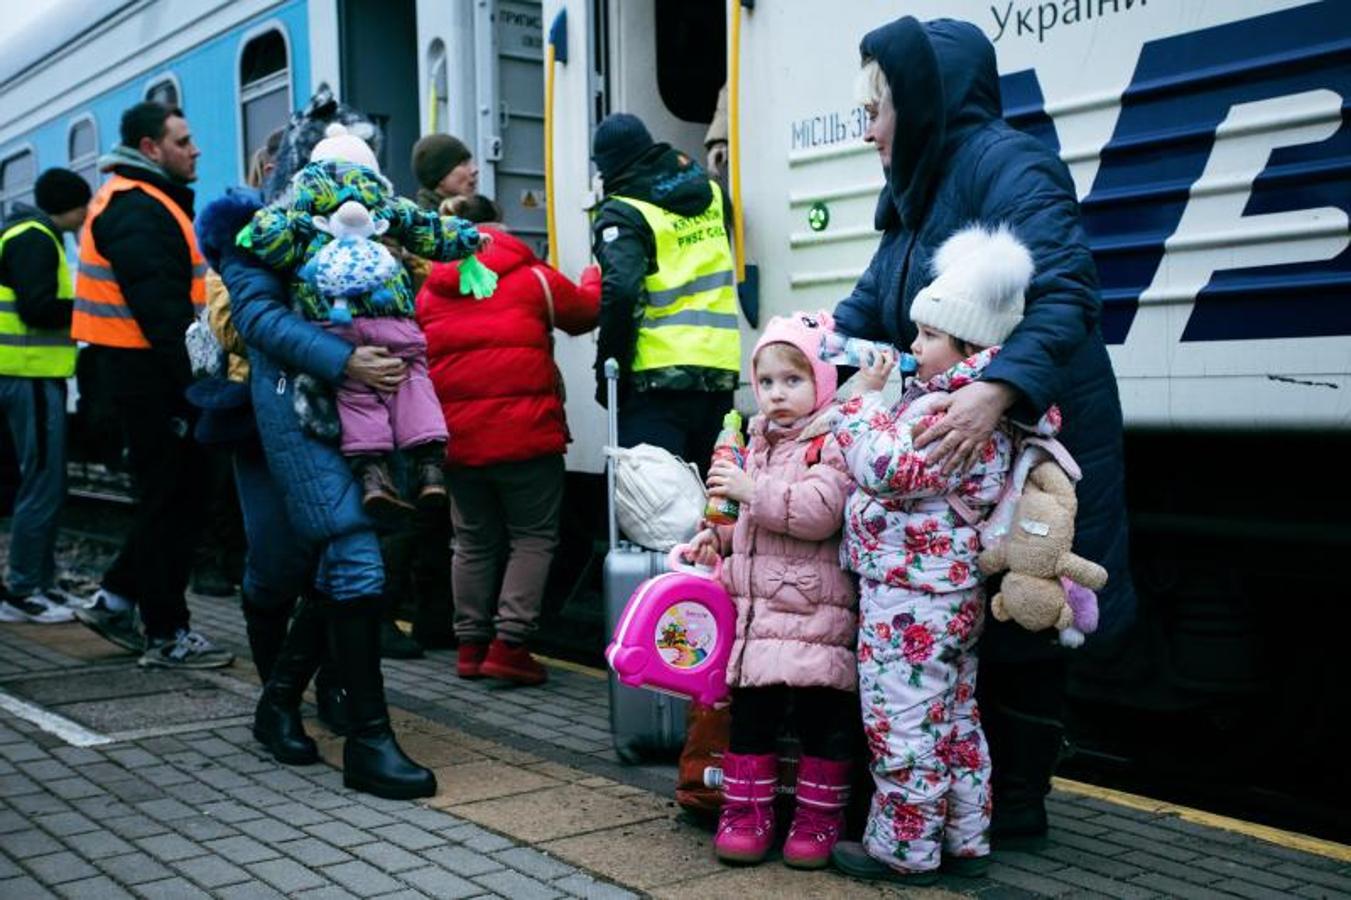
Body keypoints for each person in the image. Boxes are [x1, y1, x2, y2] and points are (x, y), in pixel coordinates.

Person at [831, 16, 1135, 851]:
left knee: (1020, 614)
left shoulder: (1007, 164)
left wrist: (996, 389)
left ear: (920, 104)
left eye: (874, 110)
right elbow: (867, 308)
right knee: (969, 618)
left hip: (1035, 435)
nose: (866, 132)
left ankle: (1019, 800)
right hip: (972, 449)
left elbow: (1065, 288)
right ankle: (963, 801)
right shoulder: (914, 191)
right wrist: (804, 351)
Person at [211, 90, 438, 800]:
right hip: (293, 409)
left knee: (347, 558)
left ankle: (296, 707)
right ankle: (350, 731)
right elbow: (255, 319)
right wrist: (345, 361)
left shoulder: (365, 232)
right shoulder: (259, 232)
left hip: (360, 413)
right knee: (319, 558)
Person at [830, 225, 1041, 883]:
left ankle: (903, 849)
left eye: (926, 335)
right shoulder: (981, 409)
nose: (912, 346)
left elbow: (884, 469)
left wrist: (861, 407)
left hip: (909, 593)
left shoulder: (949, 412)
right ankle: (964, 837)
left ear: (968, 347)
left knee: (901, 727)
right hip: (947, 591)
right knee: (951, 720)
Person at [193, 124, 347, 763]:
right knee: (277, 560)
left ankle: (331, 687)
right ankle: (275, 698)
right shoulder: (239, 244)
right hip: (259, 421)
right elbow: (234, 330)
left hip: (334, 413)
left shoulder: (339, 231)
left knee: (339, 557)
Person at [681, 311, 856, 870]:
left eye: (793, 380)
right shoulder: (751, 440)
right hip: (756, 620)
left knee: (818, 722)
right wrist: (714, 536)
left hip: (813, 615)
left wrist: (751, 490)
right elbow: (742, 523)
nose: (777, 395)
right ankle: (745, 813)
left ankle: (818, 818)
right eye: (767, 383)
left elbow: (819, 512)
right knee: (750, 719)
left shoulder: (834, 440)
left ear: (822, 383)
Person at [241, 124, 485, 520]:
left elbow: (271, 243)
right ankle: (429, 468)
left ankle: (373, 475)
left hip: (335, 322)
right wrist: (470, 238)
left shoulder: (302, 207)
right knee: (412, 378)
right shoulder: (386, 203)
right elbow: (432, 233)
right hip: (392, 319)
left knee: (355, 393)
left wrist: (259, 228)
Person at [70, 101, 233, 668]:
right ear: (150, 148)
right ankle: (167, 633)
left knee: (171, 496)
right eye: (183, 140)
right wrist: (198, 388)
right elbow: (164, 315)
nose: (196, 149)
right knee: (176, 500)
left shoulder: (140, 200)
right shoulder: (138, 209)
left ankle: (116, 598)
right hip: (150, 377)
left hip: (138, 373)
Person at [416, 194, 600, 685]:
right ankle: (510, 645)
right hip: (526, 436)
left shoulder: (430, 290)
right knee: (533, 537)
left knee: (472, 540)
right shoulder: (532, 275)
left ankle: (470, 647)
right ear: (499, 228)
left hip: (459, 440)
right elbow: (584, 314)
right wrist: (592, 277)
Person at [589, 113, 741, 469]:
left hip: (655, 380)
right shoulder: (713, 193)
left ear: (610, 166)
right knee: (715, 500)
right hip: (717, 370)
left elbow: (622, 292)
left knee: (654, 511)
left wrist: (608, 371)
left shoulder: (623, 211)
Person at [0, 168, 91, 624]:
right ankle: (22, 591)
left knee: (44, 481)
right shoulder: (35, 237)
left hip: (32, 375)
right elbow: (38, 308)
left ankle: (43, 584)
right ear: (68, 207)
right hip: (27, 374)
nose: (86, 215)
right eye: (83, 206)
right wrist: (88, 308)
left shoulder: (26, 233)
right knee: (41, 482)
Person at [410, 133, 479, 212]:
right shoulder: (428, 222)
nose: (475, 170)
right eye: (463, 164)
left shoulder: (472, 213)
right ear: (439, 177)